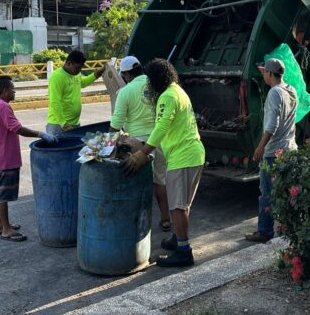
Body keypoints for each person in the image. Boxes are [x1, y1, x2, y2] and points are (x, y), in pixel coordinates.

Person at [122, 59, 205, 268]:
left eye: (150, 79)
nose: (148, 84)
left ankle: (184, 252)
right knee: (181, 203)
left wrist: (142, 153)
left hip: (183, 156)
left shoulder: (167, 97)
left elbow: (161, 128)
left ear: (157, 79)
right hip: (189, 154)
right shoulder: (176, 90)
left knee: (177, 206)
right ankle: (178, 239)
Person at [0, 75, 58, 242]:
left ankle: (0, 225)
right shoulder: (3, 107)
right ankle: (6, 229)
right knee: (2, 195)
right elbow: (17, 128)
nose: (14, 92)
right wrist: (40, 134)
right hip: (6, 158)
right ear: (5, 91)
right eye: (13, 89)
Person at [109, 56, 172, 233]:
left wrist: (108, 147)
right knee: (160, 180)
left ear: (127, 74)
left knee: (136, 181)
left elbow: (115, 125)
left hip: (137, 145)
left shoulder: (125, 92)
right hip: (159, 140)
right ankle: (166, 219)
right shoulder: (155, 84)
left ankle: (136, 222)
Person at [245, 58, 298, 243]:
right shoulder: (291, 91)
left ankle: (265, 231)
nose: (263, 76)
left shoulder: (274, 93)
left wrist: (260, 147)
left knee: (267, 194)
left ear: (269, 73)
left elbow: (271, 126)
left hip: (273, 152)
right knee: (285, 191)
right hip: (289, 148)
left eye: (264, 73)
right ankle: (288, 227)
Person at [46, 49, 105, 135]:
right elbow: (54, 102)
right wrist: (64, 124)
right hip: (59, 125)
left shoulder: (75, 74)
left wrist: (96, 74)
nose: (78, 71)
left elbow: (83, 83)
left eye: (80, 68)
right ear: (69, 63)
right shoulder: (57, 77)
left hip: (75, 124)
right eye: (77, 68)